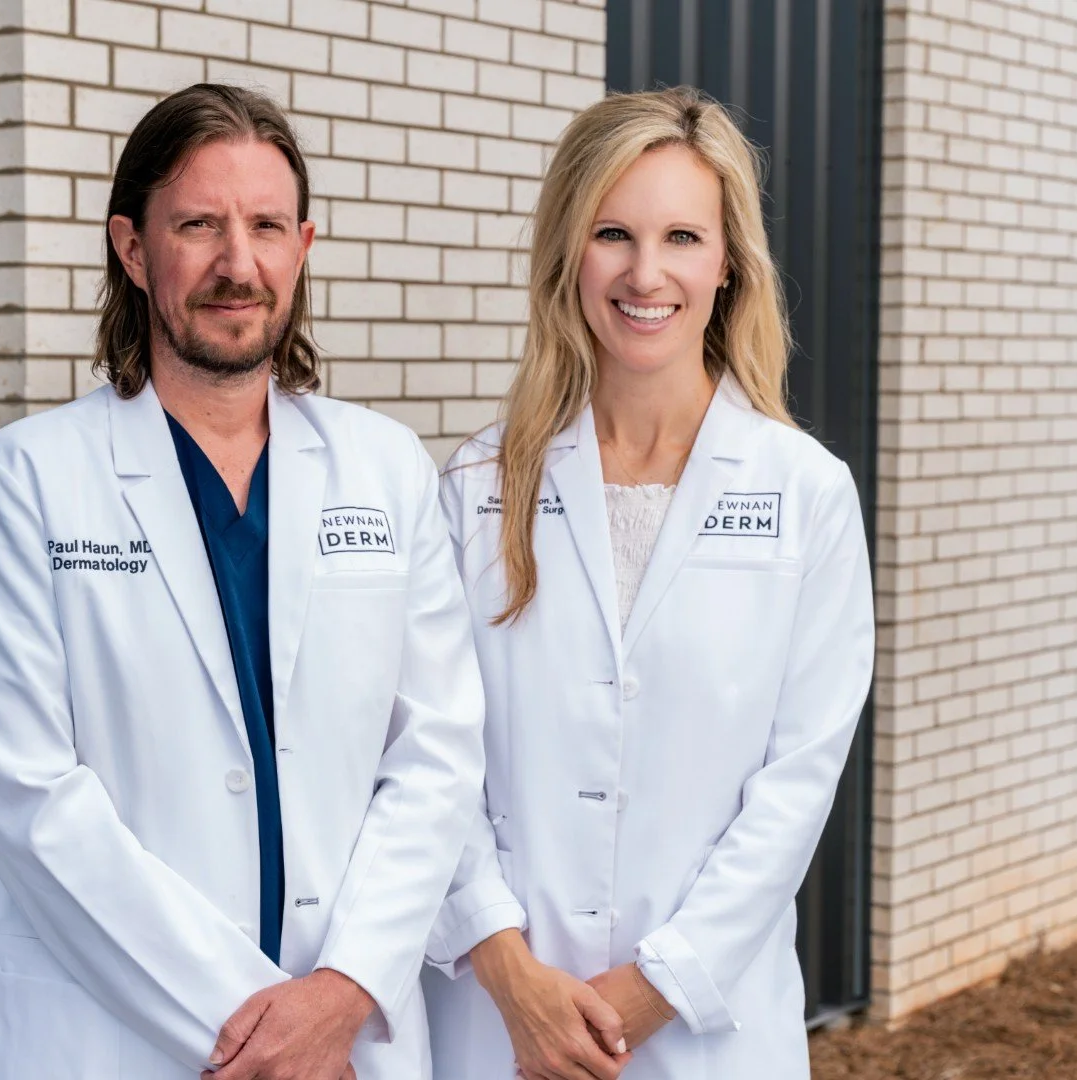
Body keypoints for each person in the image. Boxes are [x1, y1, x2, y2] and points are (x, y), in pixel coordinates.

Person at [0, 83, 485, 1080]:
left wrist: (343, 994)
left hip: (348, 1032)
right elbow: (33, 804)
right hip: (122, 1038)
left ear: (303, 247)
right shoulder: (20, 483)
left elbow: (437, 758)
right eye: (199, 224)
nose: (239, 264)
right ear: (133, 249)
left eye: (266, 226)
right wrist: (261, 1030)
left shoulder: (388, 468)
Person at [421, 86, 875, 1080]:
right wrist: (507, 969)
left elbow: (795, 788)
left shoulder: (806, 495)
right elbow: (428, 754)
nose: (645, 272)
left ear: (727, 265)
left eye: (681, 236)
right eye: (613, 233)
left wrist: (651, 990)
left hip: (707, 1031)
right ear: (567, 254)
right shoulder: (474, 486)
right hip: (496, 1024)